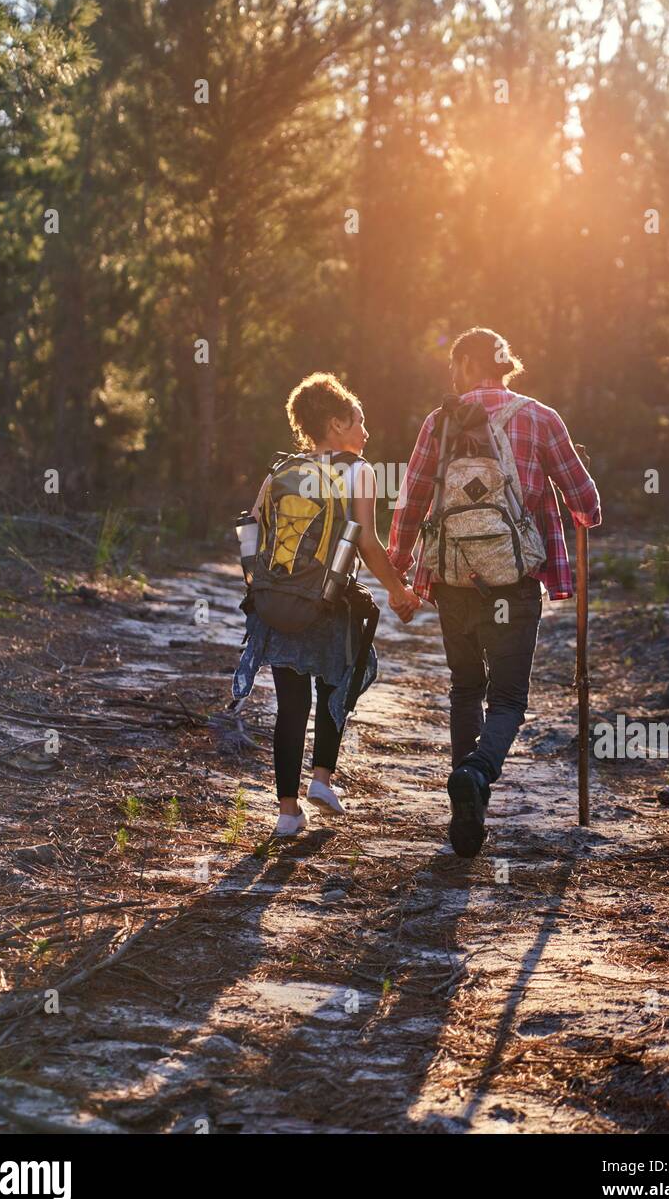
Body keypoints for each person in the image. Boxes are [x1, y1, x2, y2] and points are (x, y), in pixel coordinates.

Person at [388, 327, 601, 857]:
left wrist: (399, 570)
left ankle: (468, 805)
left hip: (454, 578)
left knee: (465, 687)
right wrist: (574, 507)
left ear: (462, 365)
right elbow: (586, 503)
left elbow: (411, 501)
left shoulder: (438, 420)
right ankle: (479, 774)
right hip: (515, 580)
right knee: (506, 698)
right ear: (505, 367)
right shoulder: (541, 417)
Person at [233, 372, 421, 838]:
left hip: (277, 606)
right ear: (336, 424)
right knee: (337, 687)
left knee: (290, 705)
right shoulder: (359, 471)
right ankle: (322, 778)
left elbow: (251, 527)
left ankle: (286, 811)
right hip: (329, 602)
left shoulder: (280, 470)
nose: (366, 431)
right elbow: (369, 544)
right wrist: (398, 590)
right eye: (359, 421)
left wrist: (262, 589)